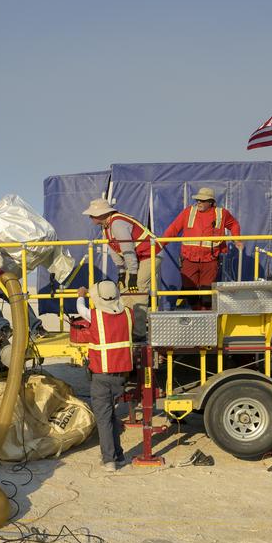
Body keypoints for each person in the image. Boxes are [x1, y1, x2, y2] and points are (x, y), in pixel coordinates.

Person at [76, 280, 134, 472]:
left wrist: (81, 294)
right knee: (112, 416)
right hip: (121, 375)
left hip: (101, 375)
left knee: (104, 417)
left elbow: (81, 308)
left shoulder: (95, 316)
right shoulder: (128, 313)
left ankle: (109, 460)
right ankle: (119, 456)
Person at [160, 187, 241, 309]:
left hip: (210, 260)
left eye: (202, 200)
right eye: (198, 200)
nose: (199, 202)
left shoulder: (221, 213)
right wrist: (160, 244)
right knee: (190, 293)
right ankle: (197, 313)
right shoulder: (188, 212)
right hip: (189, 259)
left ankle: (206, 317)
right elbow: (173, 228)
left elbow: (234, 224)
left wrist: (237, 239)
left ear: (211, 202)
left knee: (207, 295)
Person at [82, 198, 155, 296]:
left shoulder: (117, 223)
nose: (90, 217)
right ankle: (128, 311)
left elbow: (127, 248)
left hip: (150, 253)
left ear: (102, 214)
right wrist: (122, 272)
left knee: (138, 287)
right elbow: (113, 249)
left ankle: (138, 311)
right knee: (125, 291)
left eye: (92, 214)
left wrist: (133, 274)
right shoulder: (105, 226)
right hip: (138, 256)